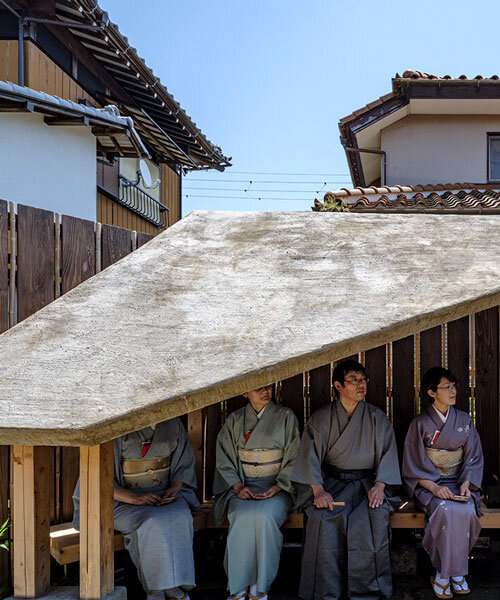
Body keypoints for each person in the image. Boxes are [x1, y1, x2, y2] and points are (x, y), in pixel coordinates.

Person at [292, 359, 401, 600]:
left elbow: (388, 453)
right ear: (338, 386)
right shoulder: (321, 419)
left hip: (367, 486)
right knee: (321, 520)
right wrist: (318, 491)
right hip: (331, 485)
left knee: (374, 518)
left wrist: (380, 486)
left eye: (363, 380)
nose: (361, 385)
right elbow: (309, 457)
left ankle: (369, 591)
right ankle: (325, 591)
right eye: (354, 381)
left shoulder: (376, 418)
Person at [73, 418, 200, 600]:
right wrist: (134, 498)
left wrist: (175, 487)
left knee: (181, 516)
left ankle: (173, 587)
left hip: (162, 494)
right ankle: (156, 591)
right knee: (152, 523)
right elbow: (96, 477)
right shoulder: (116, 425)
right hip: (120, 500)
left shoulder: (172, 423)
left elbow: (183, 462)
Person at [213, 384, 300, 600]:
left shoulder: (286, 417)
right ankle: (238, 586)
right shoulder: (234, 420)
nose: (265, 392)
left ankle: (259, 586)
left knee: (263, 517)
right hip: (244, 486)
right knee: (242, 516)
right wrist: (238, 487)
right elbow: (224, 459)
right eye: (257, 388)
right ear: (244, 392)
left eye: (268, 387)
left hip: (278, 487)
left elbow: (295, 455)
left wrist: (279, 485)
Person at [403, 367, 483, 599]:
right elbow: (412, 462)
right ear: (431, 392)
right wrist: (435, 487)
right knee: (445, 510)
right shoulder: (419, 424)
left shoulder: (464, 420)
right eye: (446, 387)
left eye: (454, 386)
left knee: (466, 509)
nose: (453, 390)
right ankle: (444, 573)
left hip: (458, 482)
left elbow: (473, 457)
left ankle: (454, 573)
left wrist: (467, 483)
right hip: (429, 486)